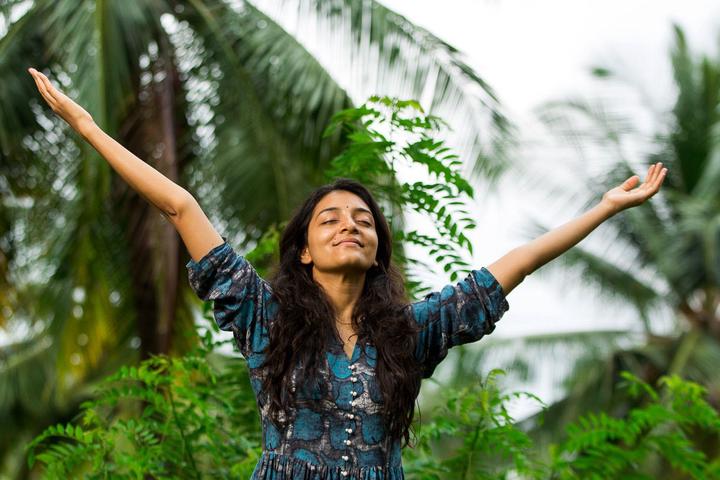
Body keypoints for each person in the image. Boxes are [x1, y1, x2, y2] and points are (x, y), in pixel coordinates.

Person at [27, 67, 668, 479]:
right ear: (303, 250)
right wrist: (87, 126)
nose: (349, 226)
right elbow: (180, 205)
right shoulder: (264, 320)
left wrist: (604, 209)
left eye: (363, 220)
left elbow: (516, 263)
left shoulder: (411, 333)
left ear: (378, 250)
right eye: (329, 219)